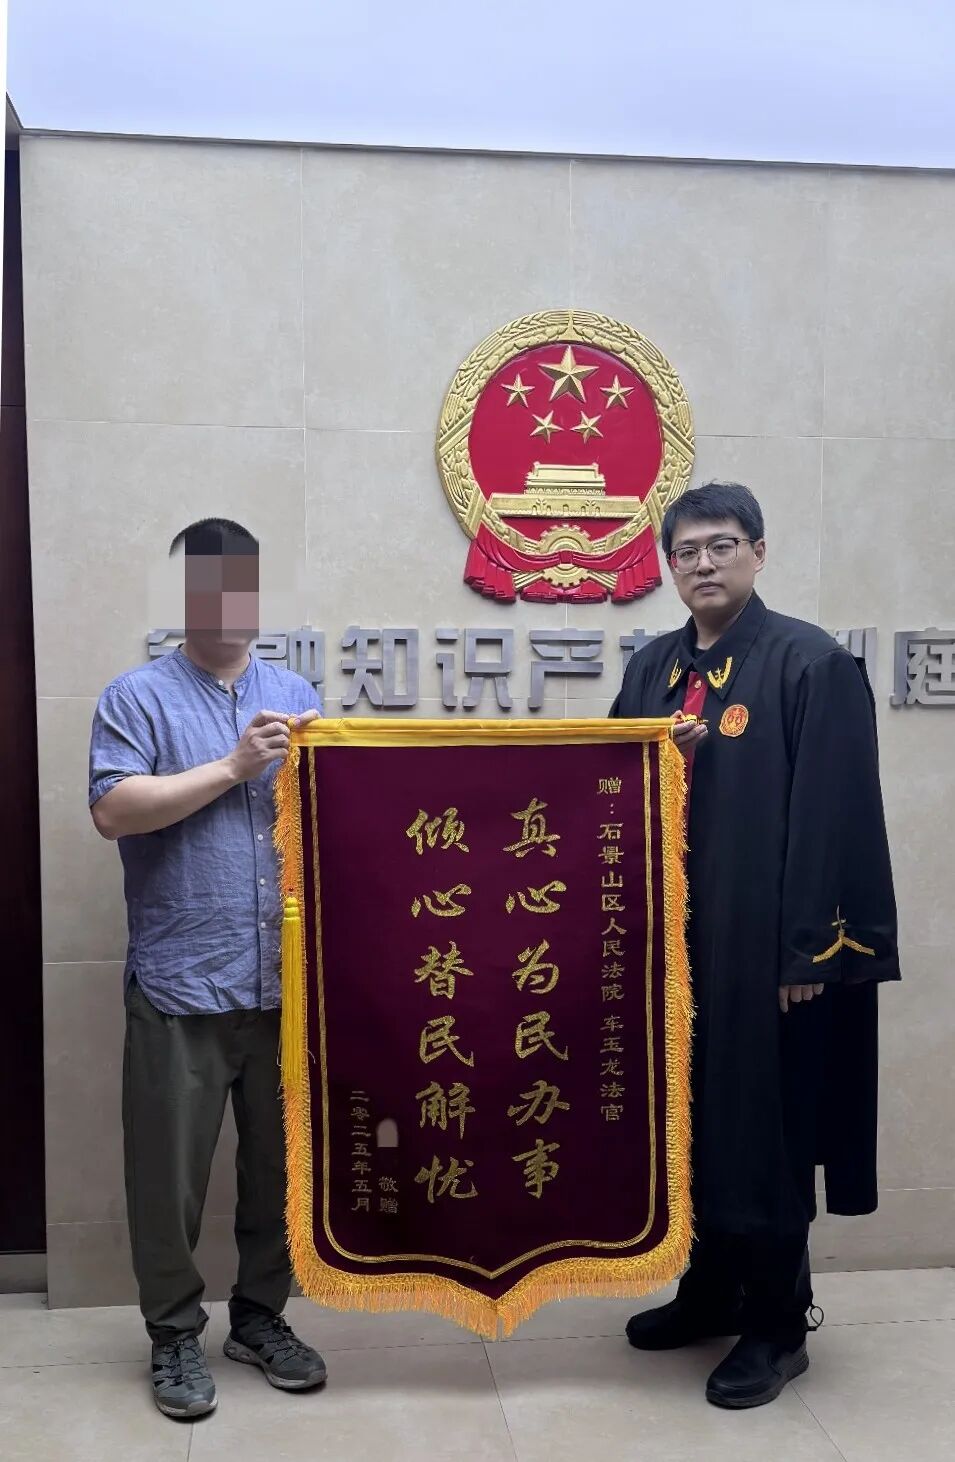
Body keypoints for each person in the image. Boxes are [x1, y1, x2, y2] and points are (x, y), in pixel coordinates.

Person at [611, 481, 900, 1409]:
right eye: (685, 551)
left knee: (764, 1128)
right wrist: (664, 759)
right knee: (691, 1121)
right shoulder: (652, 670)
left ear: (758, 553)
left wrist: (807, 955)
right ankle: (709, 1290)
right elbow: (606, 787)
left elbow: (836, 819)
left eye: (721, 546)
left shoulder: (808, 663)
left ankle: (777, 1321)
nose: (702, 564)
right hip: (674, 950)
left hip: (764, 953)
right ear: (668, 565)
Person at [89, 517, 327, 1420]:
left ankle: (261, 1318)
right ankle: (173, 1335)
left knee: (280, 1168)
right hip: (180, 981)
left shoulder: (295, 693)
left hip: (285, 985)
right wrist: (232, 766)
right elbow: (114, 810)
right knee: (168, 1179)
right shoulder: (136, 697)